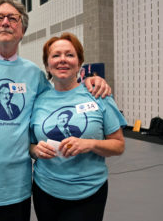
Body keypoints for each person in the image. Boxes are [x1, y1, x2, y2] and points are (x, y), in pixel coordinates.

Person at [0, 0, 111, 221]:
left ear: (22, 29)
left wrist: (88, 83)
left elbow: (62, 95)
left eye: (12, 18)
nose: (5, 22)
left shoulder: (34, 75)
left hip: (17, 190)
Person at [29, 32, 126, 221]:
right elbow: (29, 145)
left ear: (80, 62)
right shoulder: (37, 101)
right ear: (48, 64)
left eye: (70, 55)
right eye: (56, 55)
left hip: (88, 193)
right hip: (44, 190)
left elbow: (119, 145)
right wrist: (35, 150)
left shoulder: (98, 94)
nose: (62, 60)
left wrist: (89, 144)